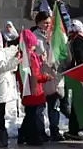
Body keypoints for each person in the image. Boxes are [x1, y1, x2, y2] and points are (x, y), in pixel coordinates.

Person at [29, 11, 64, 142]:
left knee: (55, 106)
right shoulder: (34, 37)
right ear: (38, 23)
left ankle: (55, 130)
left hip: (55, 76)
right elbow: (30, 56)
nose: (47, 25)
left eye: (49, 22)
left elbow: (63, 54)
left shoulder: (56, 36)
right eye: (45, 22)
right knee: (40, 107)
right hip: (41, 76)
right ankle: (41, 131)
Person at [16, 28, 49, 147]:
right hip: (34, 90)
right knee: (33, 115)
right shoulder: (31, 57)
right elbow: (35, 76)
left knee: (30, 113)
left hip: (26, 90)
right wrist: (46, 77)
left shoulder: (22, 56)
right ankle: (32, 137)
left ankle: (23, 134)